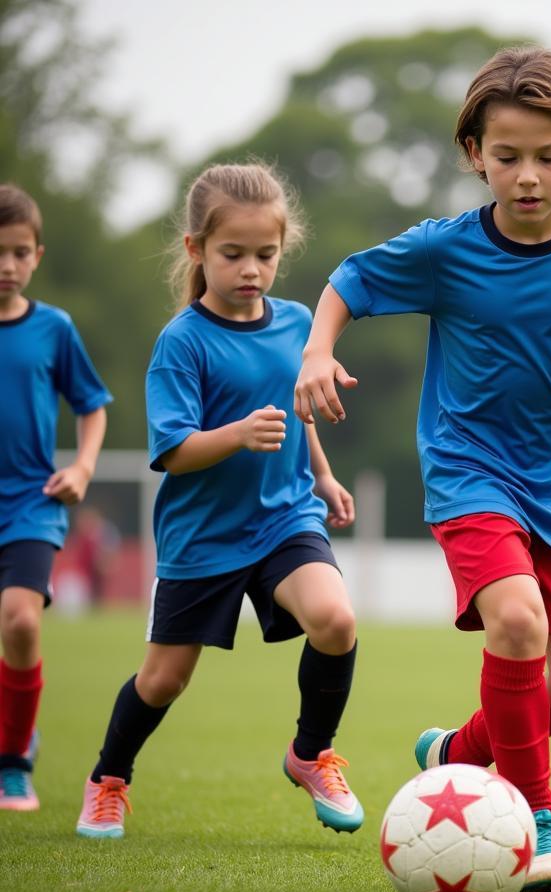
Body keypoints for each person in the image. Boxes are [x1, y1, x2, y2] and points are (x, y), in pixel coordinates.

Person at [295, 47, 551, 892]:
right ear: (475, 153)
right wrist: (318, 352)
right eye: (506, 156)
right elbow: (351, 280)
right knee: (519, 623)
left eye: (547, 157)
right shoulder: (444, 250)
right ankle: (539, 819)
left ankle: (458, 753)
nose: (526, 175)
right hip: (471, 471)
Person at [76, 162, 362, 839]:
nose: (251, 269)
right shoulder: (182, 343)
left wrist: (320, 476)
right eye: (233, 254)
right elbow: (173, 450)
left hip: (285, 518)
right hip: (202, 537)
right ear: (196, 250)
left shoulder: (297, 324)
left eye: (265, 255)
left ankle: (309, 753)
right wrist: (236, 434)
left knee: (336, 619)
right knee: (164, 680)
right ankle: (109, 779)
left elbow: (300, 415)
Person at [0, 184, 111, 812]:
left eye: (19, 253)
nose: (6, 266)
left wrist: (83, 466)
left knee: (19, 620)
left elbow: (91, 406)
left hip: (29, 504)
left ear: (37, 255)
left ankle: (14, 762)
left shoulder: (52, 329)